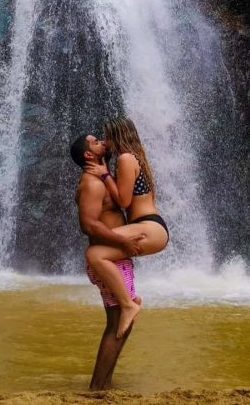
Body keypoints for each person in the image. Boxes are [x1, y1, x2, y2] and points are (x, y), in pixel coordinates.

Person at [83, 116, 169, 338]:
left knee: (95, 254)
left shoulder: (126, 158)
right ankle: (130, 299)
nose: (105, 142)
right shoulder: (135, 157)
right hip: (151, 227)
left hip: (148, 226)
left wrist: (103, 175)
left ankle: (128, 304)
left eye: (107, 137)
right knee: (99, 253)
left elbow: (123, 201)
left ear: (116, 136)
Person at [71, 133, 145, 390]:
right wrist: (122, 242)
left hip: (112, 259)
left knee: (122, 320)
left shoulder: (100, 178)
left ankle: (105, 383)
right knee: (117, 322)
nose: (102, 141)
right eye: (95, 142)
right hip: (108, 259)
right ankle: (97, 387)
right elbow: (88, 224)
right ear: (88, 155)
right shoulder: (91, 183)